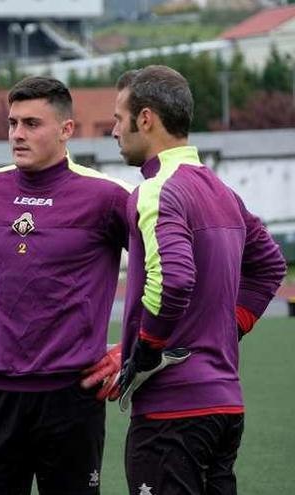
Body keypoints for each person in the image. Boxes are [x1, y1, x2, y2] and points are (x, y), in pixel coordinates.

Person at [0, 76, 132, 494]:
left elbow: (164, 267)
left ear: (66, 130)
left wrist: (130, 349)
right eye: (12, 123)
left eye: (31, 123)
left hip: (73, 399)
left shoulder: (108, 196)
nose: (18, 135)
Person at [111, 65, 287, 495]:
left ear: (146, 118)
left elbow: (173, 278)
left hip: (173, 413)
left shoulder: (154, 190)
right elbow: (270, 266)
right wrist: (232, 326)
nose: (114, 131)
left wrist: (146, 352)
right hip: (225, 406)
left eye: (118, 118)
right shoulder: (221, 190)